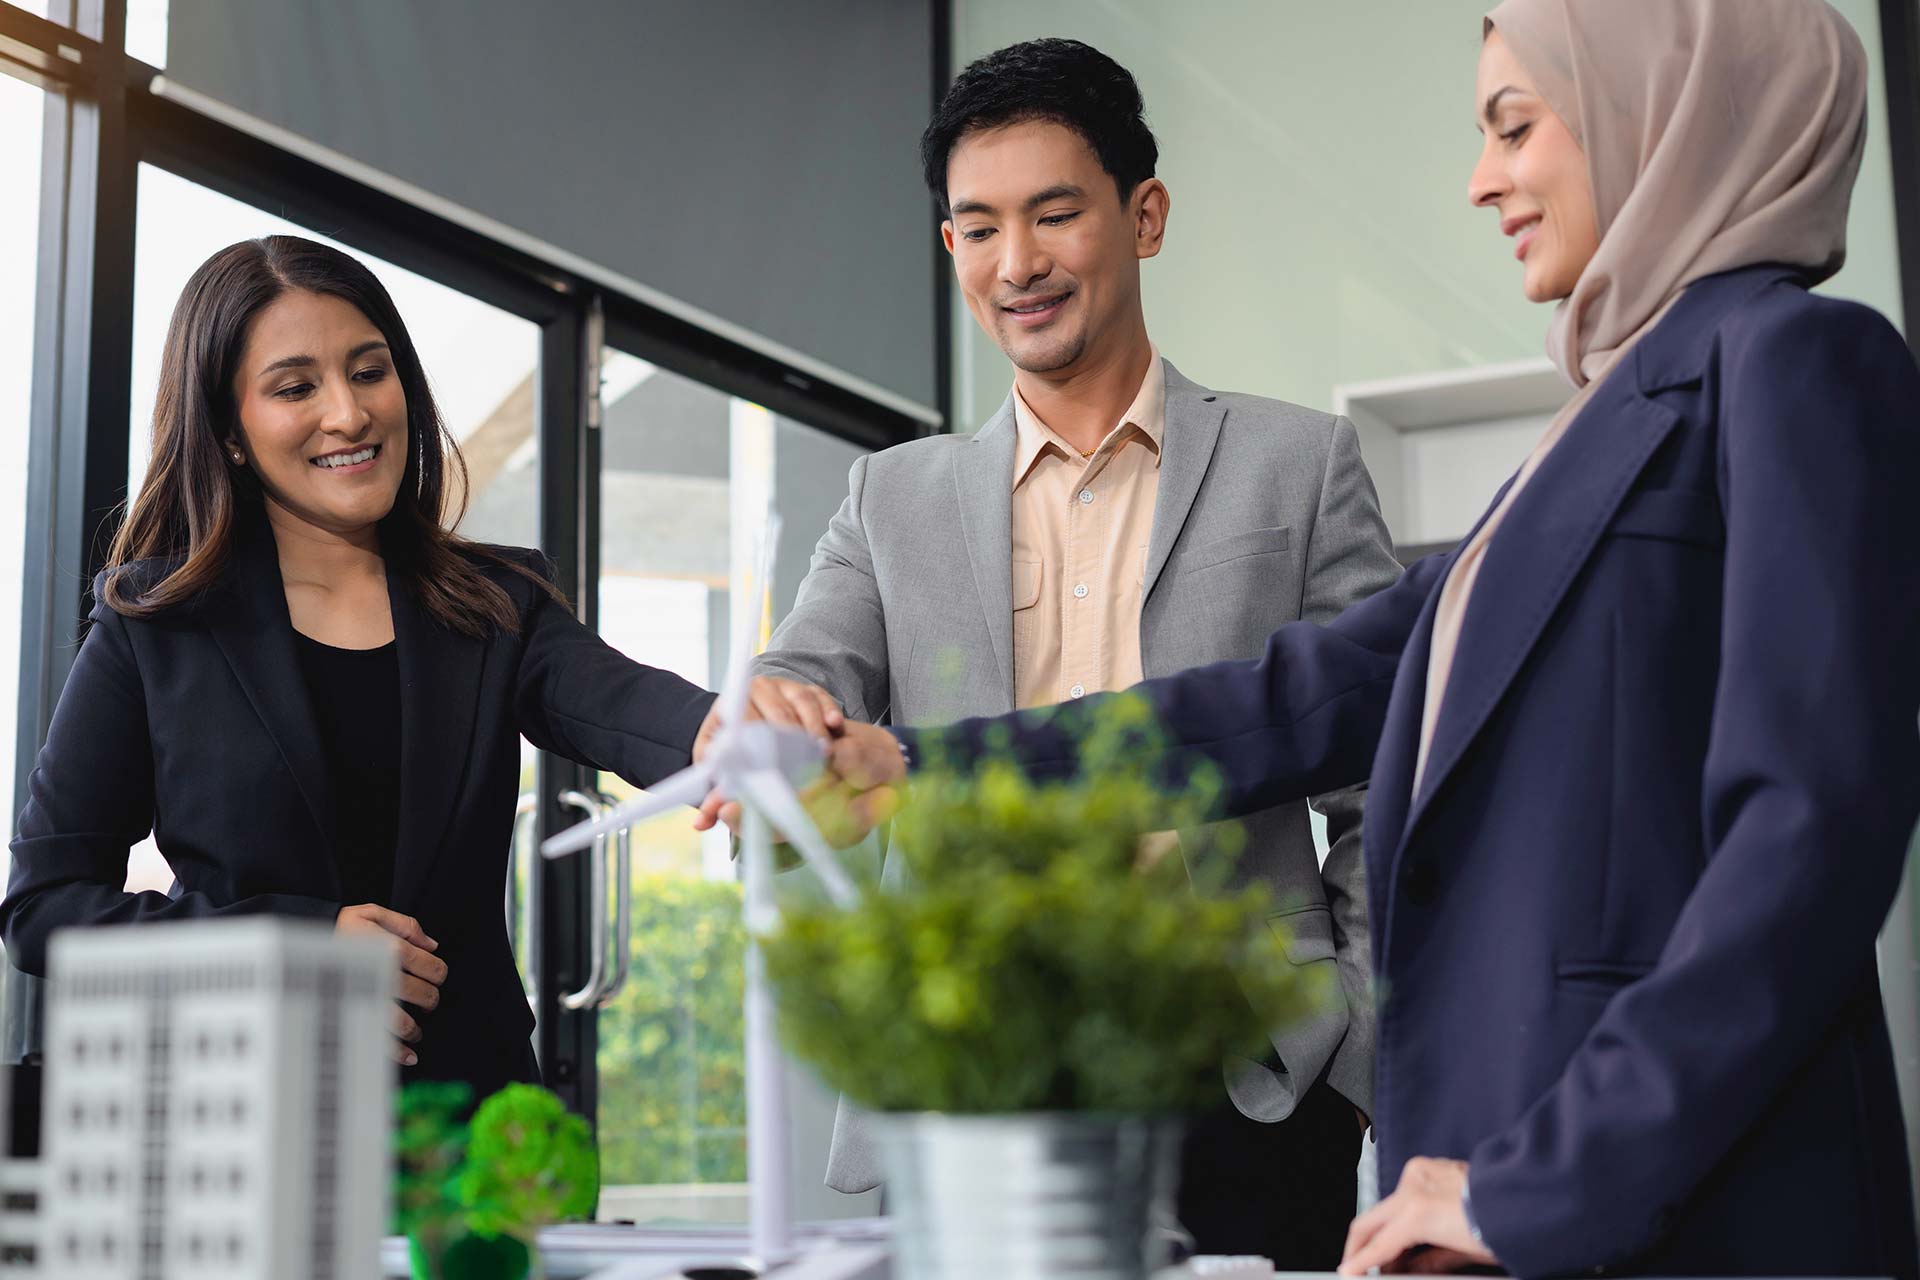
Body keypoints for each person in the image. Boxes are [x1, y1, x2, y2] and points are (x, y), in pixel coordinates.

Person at [824, 2, 1920, 1275]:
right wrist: (930, 767)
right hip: (1516, 1168)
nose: (1481, 179)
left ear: (1661, 121)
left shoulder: (1798, 361)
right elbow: (1293, 697)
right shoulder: (1583, 435)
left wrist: (1540, 1177)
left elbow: (1808, 838)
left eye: (1516, 127)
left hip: (1685, 1196)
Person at [711, 36, 1404, 1267]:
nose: (1015, 263)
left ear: (1144, 216)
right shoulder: (889, 498)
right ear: (950, 251)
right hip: (965, 1065)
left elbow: (1383, 784)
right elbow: (809, 675)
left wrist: (1346, 1050)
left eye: (1053, 214)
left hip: (1238, 1070)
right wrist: (774, 716)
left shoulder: (1298, 465)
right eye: (978, 228)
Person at [2, 236, 834, 1105]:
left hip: (475, 1135)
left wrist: (728, 732)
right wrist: (298, 946)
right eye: (295, 388)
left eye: (369, 372)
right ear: (229, 433)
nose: (350, 414)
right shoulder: (156, 624)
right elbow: (47, 908)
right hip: (245, 1129)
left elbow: (620, 699)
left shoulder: (495, 602)